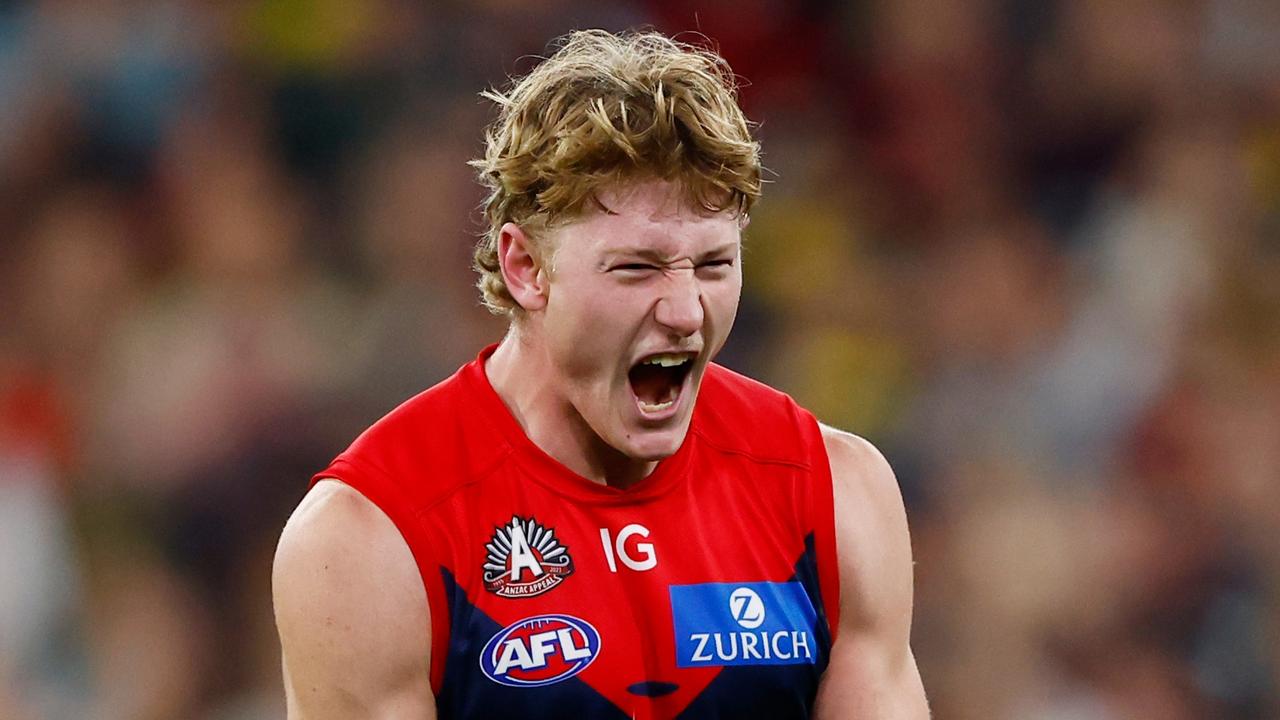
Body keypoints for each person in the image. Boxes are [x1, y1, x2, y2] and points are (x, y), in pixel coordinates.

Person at [272, 29, 929, 720]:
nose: (684, 310)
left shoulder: (831, 495)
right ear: (526, 268)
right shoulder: (372, 538)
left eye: (713, 265)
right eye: (636, 268)